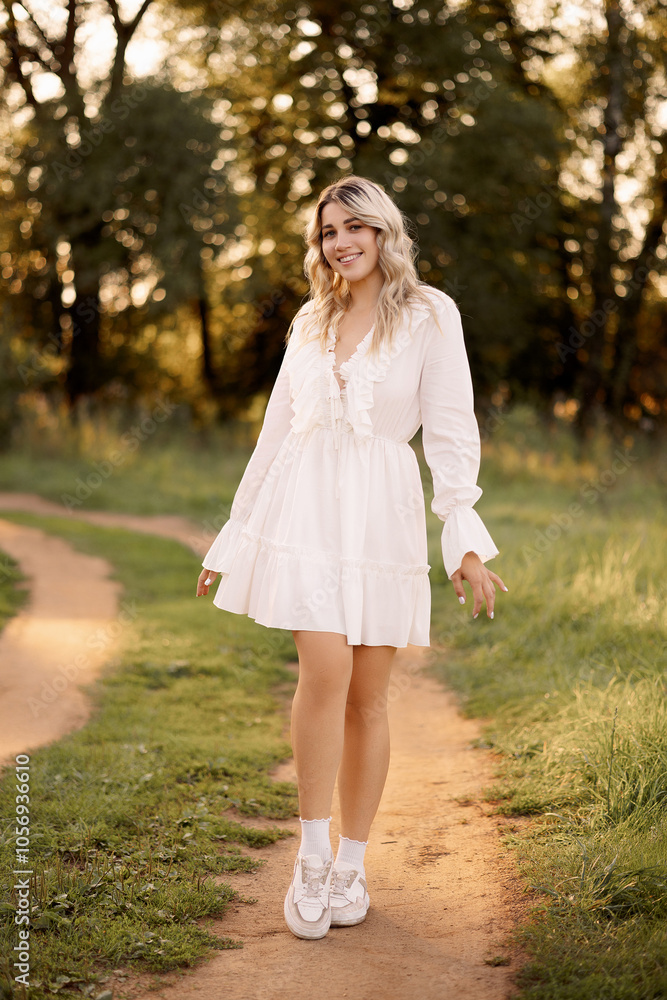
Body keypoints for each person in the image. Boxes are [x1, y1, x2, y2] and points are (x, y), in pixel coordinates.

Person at [195, 175, 507, 940]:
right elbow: (274, 434)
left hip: (382, 513)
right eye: (329, 230)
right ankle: (307, 855)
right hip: (305, 508)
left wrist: (463, 537)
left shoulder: (431, 314)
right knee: (324, 671)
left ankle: (352, 864)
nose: (341, 241)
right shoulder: (309, 318)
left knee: (369, 694)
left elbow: (449, 428)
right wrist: (233, 536)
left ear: (383, 233)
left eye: (354, 227)